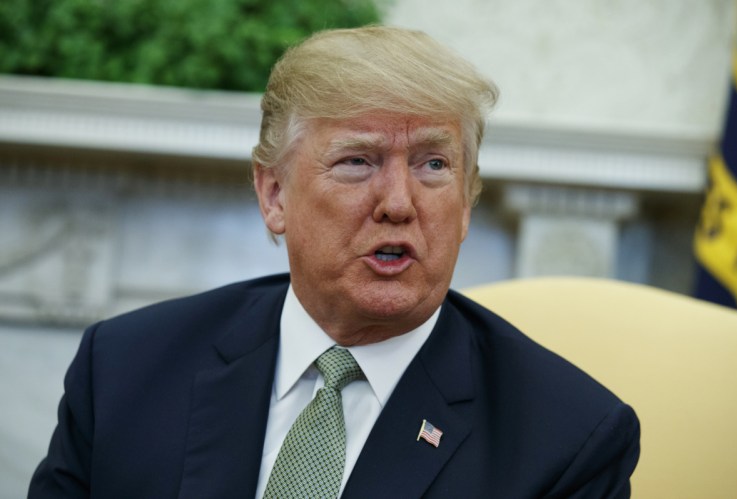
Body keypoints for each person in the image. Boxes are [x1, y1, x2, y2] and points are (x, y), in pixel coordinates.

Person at [29, 26, 639, 498]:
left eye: (433, 164)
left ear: (467, 201)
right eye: (358, 162)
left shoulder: (567, 440)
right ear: (274, 196)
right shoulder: (125, 370)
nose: (399, 203)